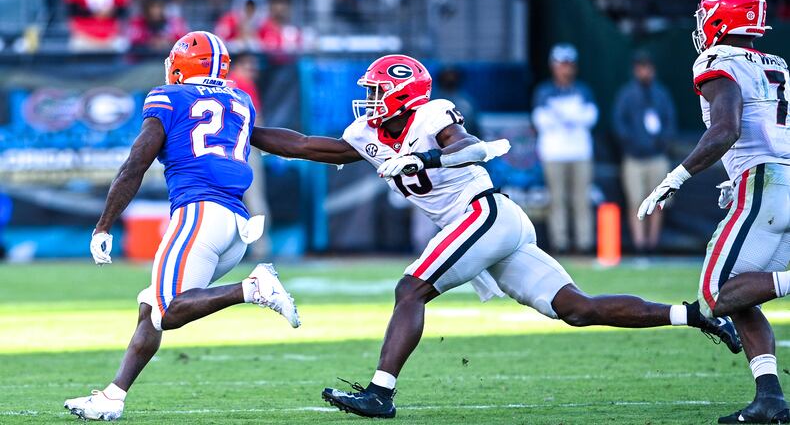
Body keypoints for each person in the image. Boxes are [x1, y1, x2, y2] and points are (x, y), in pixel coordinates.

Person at [249, 54, 741, 419]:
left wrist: (425, 159)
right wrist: (246, 128)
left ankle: (380, 392)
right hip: (479, 226)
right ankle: (694, 314)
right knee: (576, 308)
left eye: (378, 91)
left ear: (401, 96)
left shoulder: (431, 114)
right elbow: (306, 145)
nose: (370, 101)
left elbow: (469, 148)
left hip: (483, 214)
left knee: (410, 288)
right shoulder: (366, 132)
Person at [63, 31, 300, 422]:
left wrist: (103, 226)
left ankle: (252, 287)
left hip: (199, 215)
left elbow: (135, 164)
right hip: (236, 225)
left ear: (180, 66)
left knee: (169, 308)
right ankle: (112, 396)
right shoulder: (239, 100)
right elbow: (294, 144)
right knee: (151, 307)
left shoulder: (168, 96)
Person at [638, 0, 790, 423]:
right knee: (741, 291)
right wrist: (738, 175)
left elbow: (725, 128)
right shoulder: (776, 62)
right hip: (774, 180)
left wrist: (677, 176)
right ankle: (770, 397)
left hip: (765, 182)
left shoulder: (717, 60)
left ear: (720, 18)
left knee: (717, 292)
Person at [532, 43, 598, 254]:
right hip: (554, 153)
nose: (565, 69)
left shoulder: (583, 90)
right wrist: (572, 117)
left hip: (580, 153)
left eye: (569, 65)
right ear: (554, 66)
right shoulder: (544, 91)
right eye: (561, 64)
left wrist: (561, 116)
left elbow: (590, 117)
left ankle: (584, 243)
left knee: (581, 198)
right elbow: (541, 121)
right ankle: (559, 243)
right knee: (556, 199)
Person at [613, 51, 677, 254]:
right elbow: (618, 123)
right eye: (641, 67)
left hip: (657, 157)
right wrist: (631, 143)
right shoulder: (626, 94)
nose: (645, 71)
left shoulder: (661, 94)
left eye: (647, 67)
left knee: (658, 203)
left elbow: (669, 121)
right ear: (635, 70)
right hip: (634, 158)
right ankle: (639, 244)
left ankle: (653, 244)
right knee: (636, 202)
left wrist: (662, 143)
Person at [230, 52, 272, 259]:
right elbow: (257, 121)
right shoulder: (243, 83)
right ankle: (260, 249)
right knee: (255, 199)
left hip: (218, 150)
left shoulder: (221, 84)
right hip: (244, 147)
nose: (253, 70)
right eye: (249, 65)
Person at [63, 0, 131, 52]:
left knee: (123, 46)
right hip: (84, 36)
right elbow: (71, 9)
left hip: (111, 37)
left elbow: (123, 10)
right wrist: (95, 13)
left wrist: (111, 12)